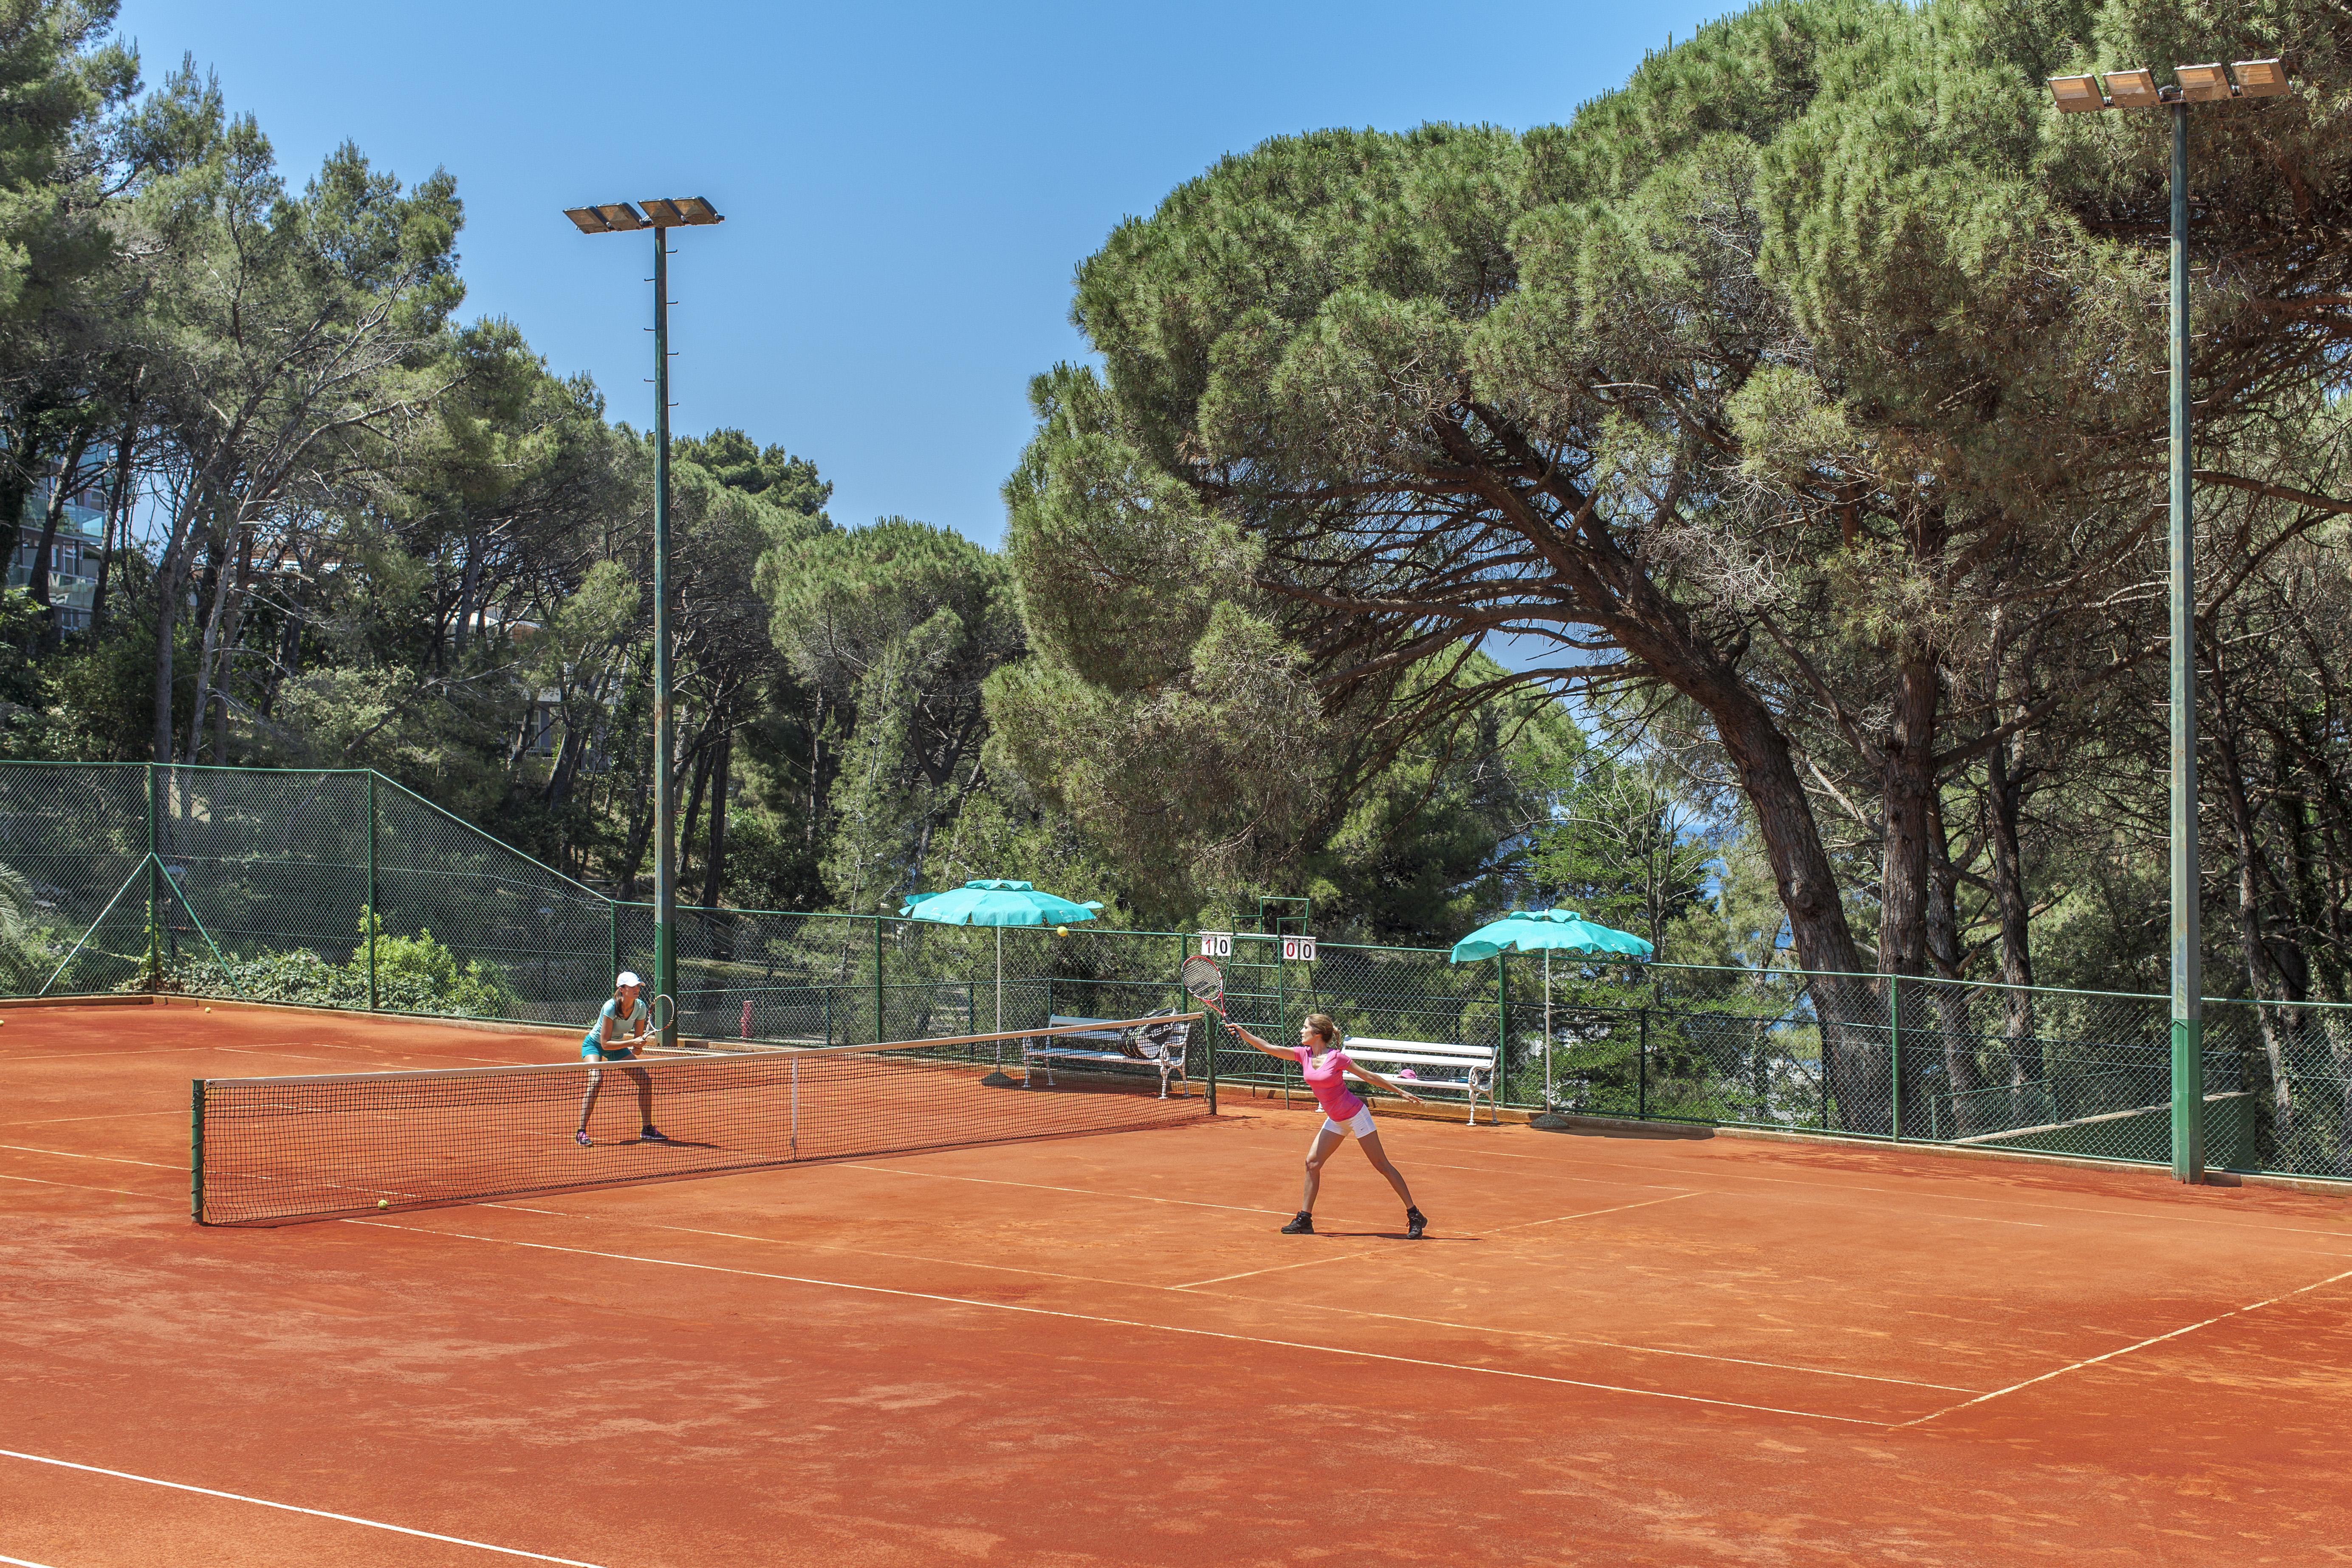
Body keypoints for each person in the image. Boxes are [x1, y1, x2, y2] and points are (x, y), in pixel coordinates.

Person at [1232, 1012, 1427, 1238]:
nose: (1301, 1031)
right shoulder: (1303, 1054)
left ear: (1317, 1033)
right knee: (1312, 1163)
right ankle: (1305, 1219)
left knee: (1382, 1165)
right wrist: (1243, 1034)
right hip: (1335, 1120)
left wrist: (1400, 1091)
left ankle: (1415, 1216)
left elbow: (1368, 1076)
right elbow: (1269, 1048)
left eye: (1305, 1028)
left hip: (1356, 1116)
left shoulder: (1336, 1058)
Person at [576, 971, 667, 1147]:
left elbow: (637, 1048)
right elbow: (604, 1044)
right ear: (622, 989)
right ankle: (581, 1131)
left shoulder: (640, 1007)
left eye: (638, 986)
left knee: (645, 1081)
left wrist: (638, 1045)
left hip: (618, 1046)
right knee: (596, 1080)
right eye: (632, 986)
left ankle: (647, 1129)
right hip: (595, 1045)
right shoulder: (610, 1007)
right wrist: (633, 1041)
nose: (637, 989)